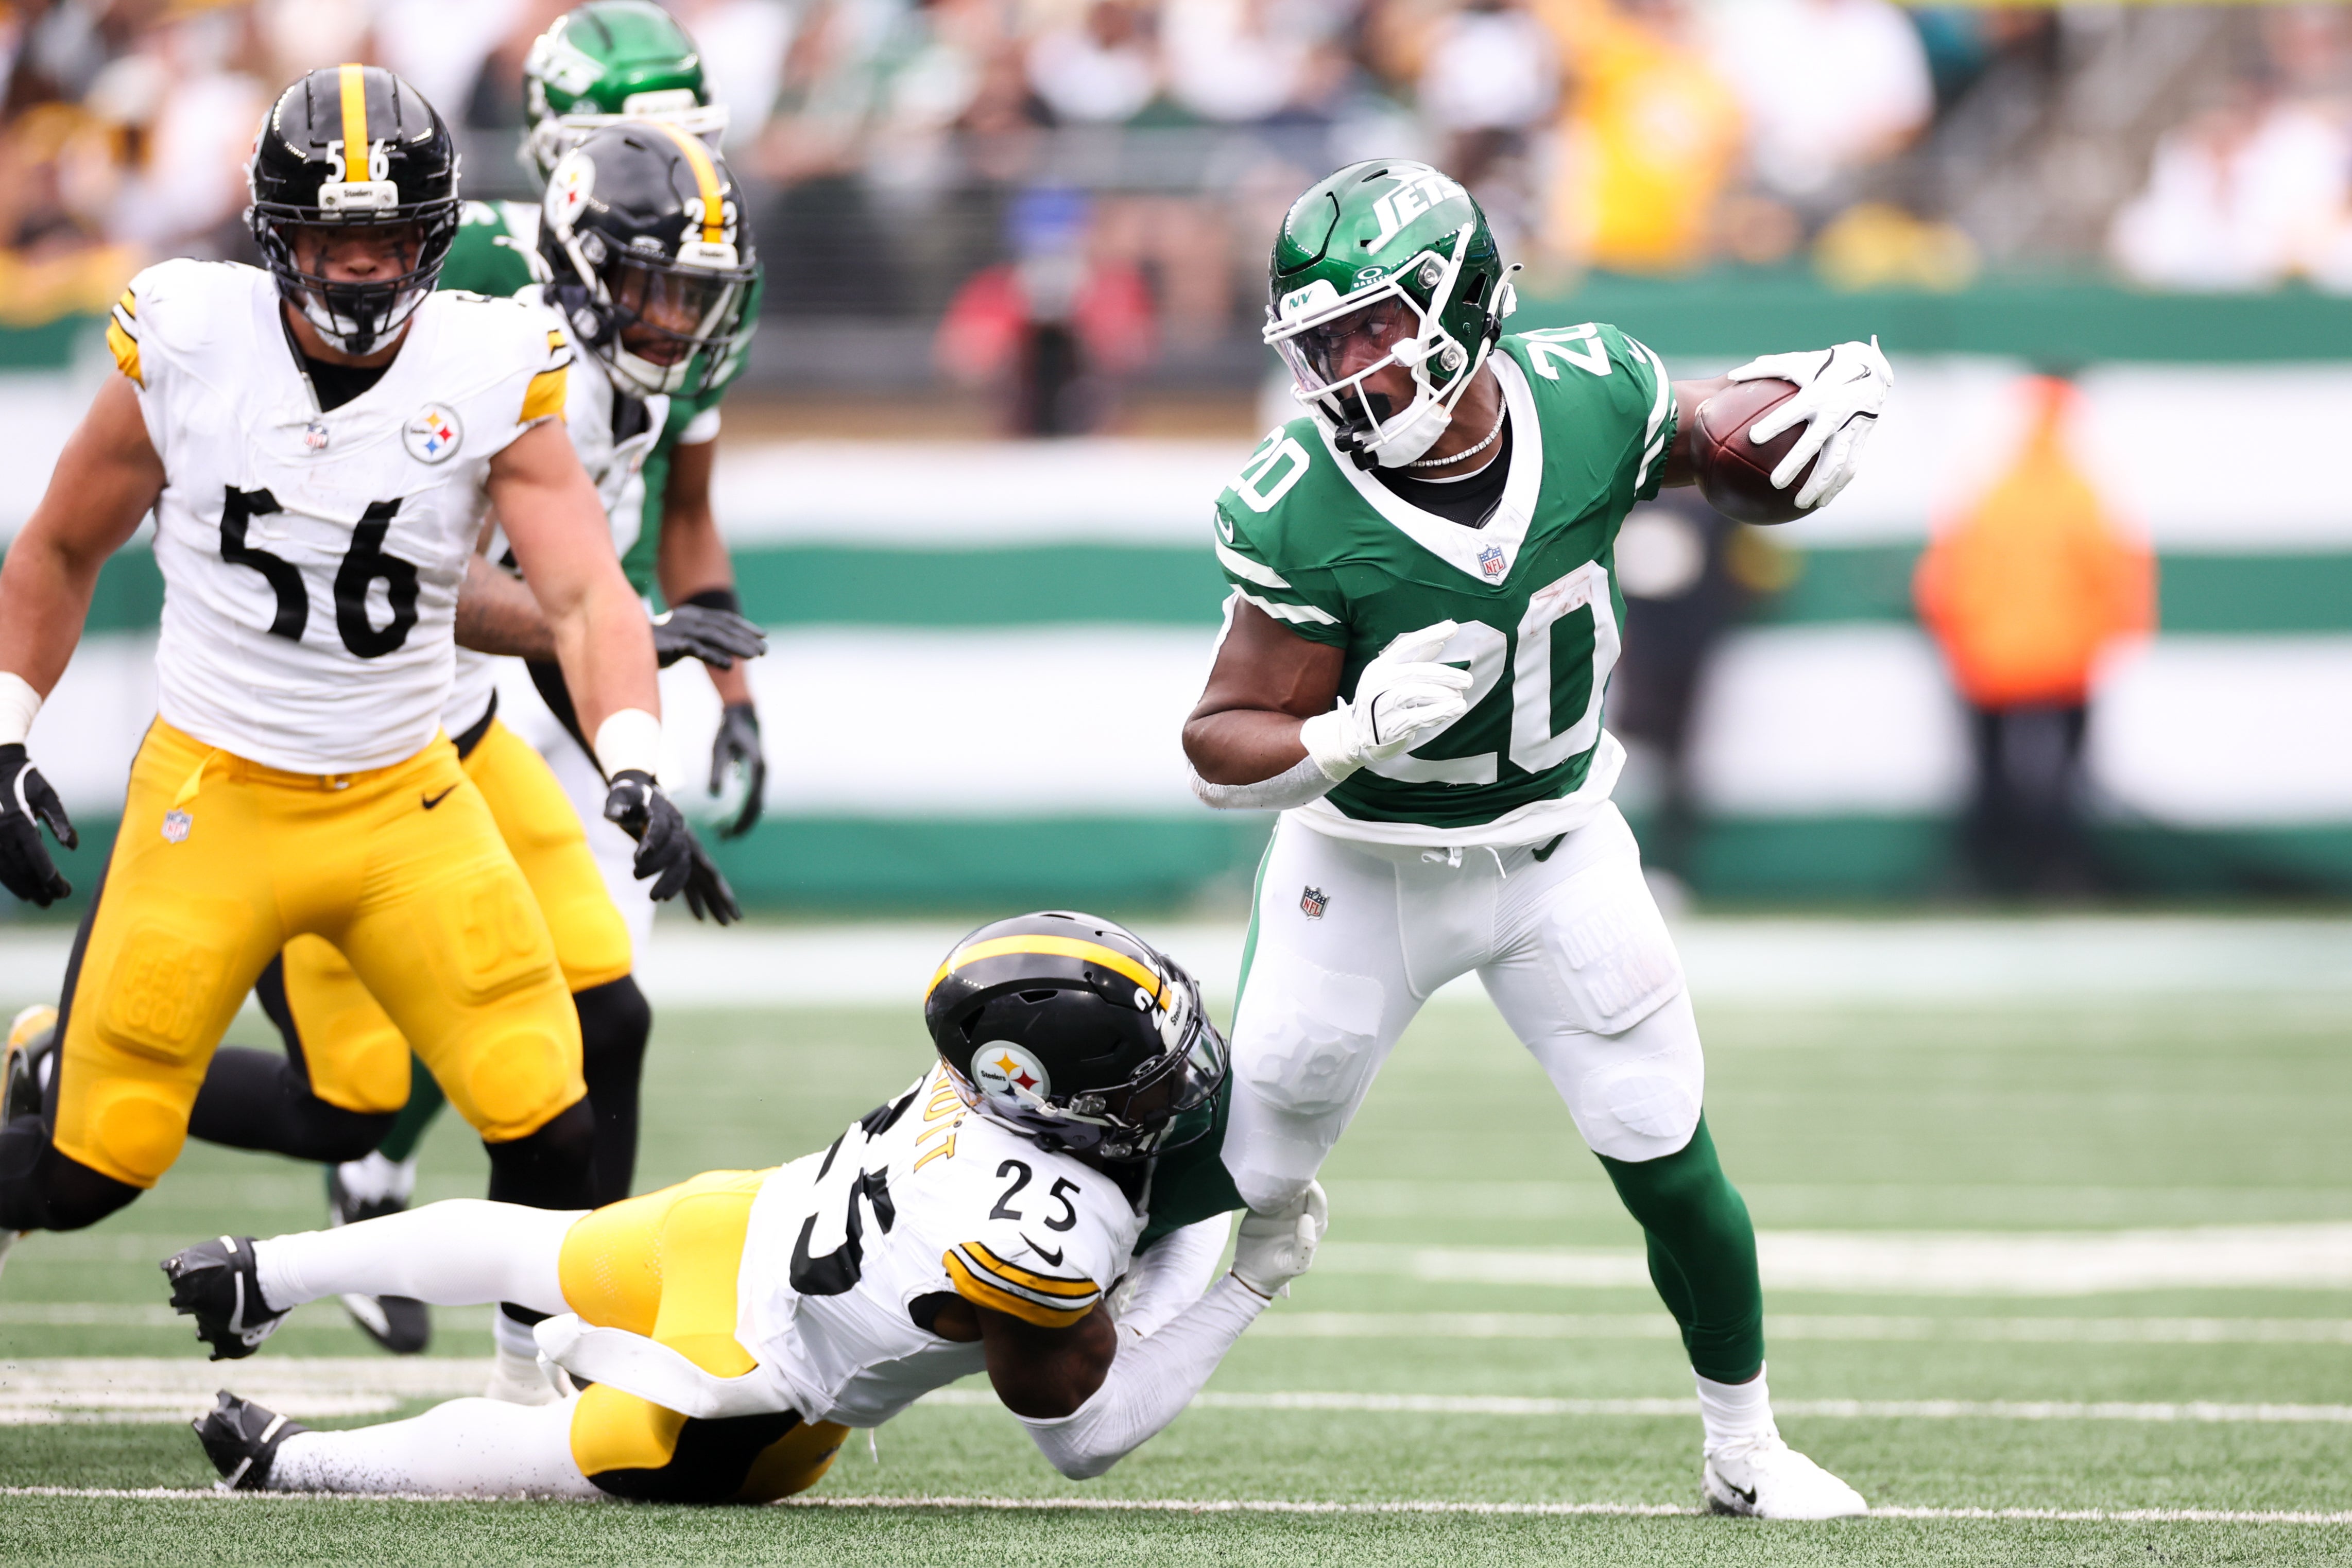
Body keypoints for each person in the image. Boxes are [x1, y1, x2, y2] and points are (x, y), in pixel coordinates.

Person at [1181, 161, 1889, 1520]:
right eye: (1318, 344)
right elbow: (1218, 739)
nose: (1342, 372)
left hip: (1556, 844)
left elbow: (1698, 445)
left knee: (1663, 1146)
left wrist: (1793, 429)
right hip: (1361, 861)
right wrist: (1342, 732)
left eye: (1369, 332)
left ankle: (1743, 1447)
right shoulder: (1294, 500)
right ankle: (1018, 1332)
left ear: (1458, 314)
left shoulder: (1594, 392)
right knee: (1247, 1165)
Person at [0, 68, 700, 1288]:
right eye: (336, 236)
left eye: (388, 238)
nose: (365, 268)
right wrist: (6, 735)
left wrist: (634, 760)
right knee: (89, 1168)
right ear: (277, 234)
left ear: (432, 238)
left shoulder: (489, 359)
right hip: (214, 789)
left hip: (403, 800)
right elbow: (59, 545)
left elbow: (586, 593)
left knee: (554, 1115)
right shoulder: (187, 337)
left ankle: (535, 1404)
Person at [169, 102, 767, 1387]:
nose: (678, 323)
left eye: (693, 296)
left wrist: (629, 766)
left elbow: (560, 621)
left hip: (464, 724)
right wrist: (627, 660)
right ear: (583, 260)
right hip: (351, 742)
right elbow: (480, 594)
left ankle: (552, 1341)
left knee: (606, 1023)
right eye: (654, 291)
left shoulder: (605, 381)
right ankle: (59, 1069)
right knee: (352, 1100)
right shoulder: (501, 358)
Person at [163, 913, 1325, 1502]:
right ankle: (299, 1466)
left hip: (736, 1220)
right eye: (1149, 1076)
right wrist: (1247, 1277)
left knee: (538, 1245)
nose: (1187, 1083)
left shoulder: (977, 1078)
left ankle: (262, 1269)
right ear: (1040, 1093)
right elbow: (1081, 1431)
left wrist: (1192, 1216)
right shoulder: (1039, 1223)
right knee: (578, 1449)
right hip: (760, 1383)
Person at [1913, 373, 2152, 895]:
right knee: (2065, 778)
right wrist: (2105, 639)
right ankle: (2059, 875)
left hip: (1987, 662)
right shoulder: (2082, 495)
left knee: (1989, 776)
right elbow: (2116, 577)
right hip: (2066, 662)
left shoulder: (1990, 492)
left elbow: (1945, 578)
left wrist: (1960, 639)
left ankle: (1980, 876)